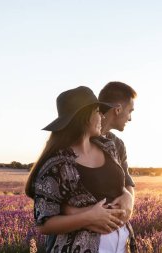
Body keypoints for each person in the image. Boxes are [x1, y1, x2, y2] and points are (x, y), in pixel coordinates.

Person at [25, 86, 137, 253]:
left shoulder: (109, 146)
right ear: (86, 117)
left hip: (122, 244)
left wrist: (127, 195)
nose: (102, 116)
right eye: (98, 111)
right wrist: (88, 217)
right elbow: (44, 224)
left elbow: (119, 184)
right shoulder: (55, 164)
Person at [63, 82, 137, 227]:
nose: (130, 118)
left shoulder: (117, 144)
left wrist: (129, 198)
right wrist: (82, 214)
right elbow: (50, 198)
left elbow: (127, 182)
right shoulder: (72, 142)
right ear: (117, 110)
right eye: (130, 111)